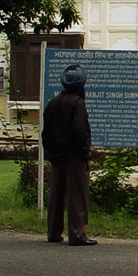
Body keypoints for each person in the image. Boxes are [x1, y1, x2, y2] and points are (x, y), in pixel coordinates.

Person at [42, 64, 96, 246]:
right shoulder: (77, 103)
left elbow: (45, 132)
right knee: (77, 195)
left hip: (57, 155)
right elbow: (80, 130)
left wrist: (50, 151)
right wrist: (85, 150)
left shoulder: (53, 102)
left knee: (56, 195)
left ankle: (53, 232)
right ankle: (77, 234)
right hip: (74, 156)